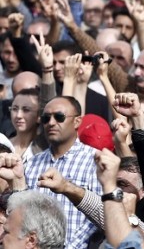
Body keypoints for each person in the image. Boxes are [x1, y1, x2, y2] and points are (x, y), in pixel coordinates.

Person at [24, 96, 100, 249]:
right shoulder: (32, 164)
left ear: (77, 121)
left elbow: (99, 213)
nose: (51, 123)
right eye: (46, 118)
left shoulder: (94, 160)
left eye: (59, 117)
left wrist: (70, 246)